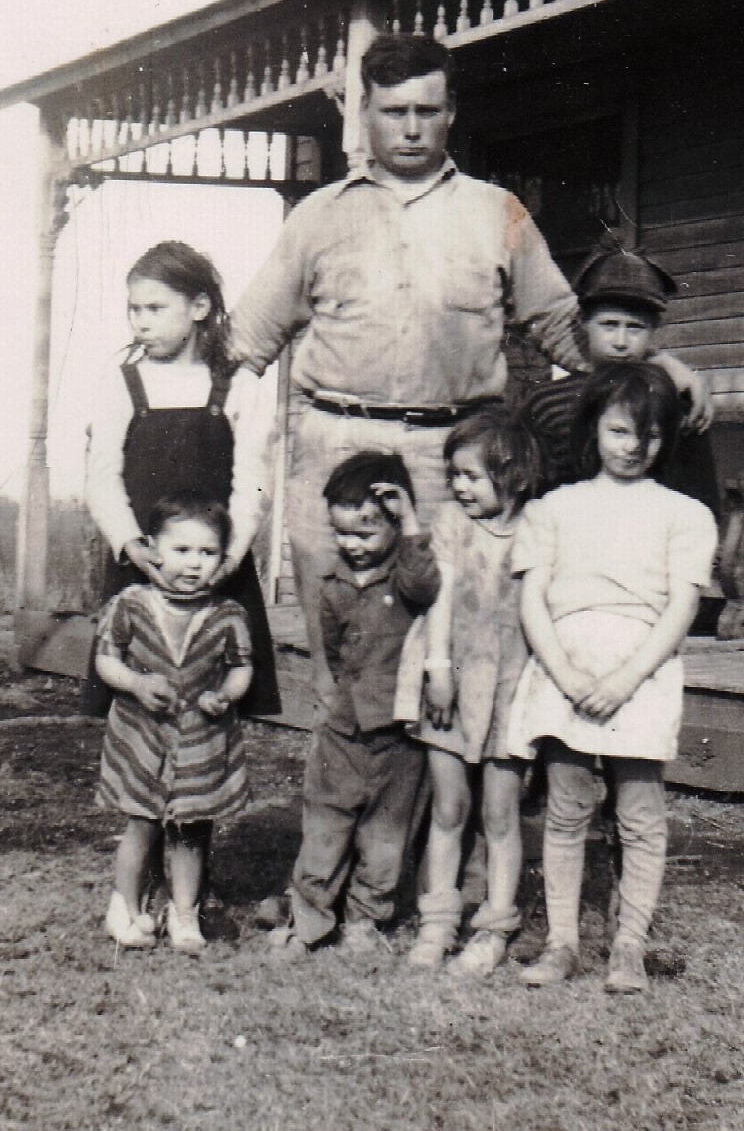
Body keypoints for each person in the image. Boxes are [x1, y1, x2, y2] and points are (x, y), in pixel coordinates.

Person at [227, 34, 708, 700]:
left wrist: (660, 368)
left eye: (427, 110)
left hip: (456, 458)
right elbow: (246, 341)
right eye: (394, 111)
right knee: (340, 647)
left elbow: (565, 329)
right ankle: (348, 795)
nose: (412, 127)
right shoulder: (317, 217)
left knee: (450, 642)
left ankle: (444, 804)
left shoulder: (498, 213)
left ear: (451, 110)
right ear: (364, 113)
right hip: (335, 446)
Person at [507, 362, 718, 995]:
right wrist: (568, 674)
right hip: (566, 665)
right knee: (567, 809)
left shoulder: (685, 516)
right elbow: (532, 602)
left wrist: (626, 678)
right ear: (596, 428)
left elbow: (679, 611)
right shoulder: (553, 509)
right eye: (621, 432)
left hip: (641, 671)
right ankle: (563, 942)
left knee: (640, 813)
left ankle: (629, 946)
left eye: (649, 437)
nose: (633, 448)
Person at [84, 240, 279, 719]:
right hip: (144, 566)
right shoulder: (123, 383)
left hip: (215, 570)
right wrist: (131, 545)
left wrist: (228, 559)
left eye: (154, 308)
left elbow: (253, 480)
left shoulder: (238, 385)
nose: (140, 322)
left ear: (199, 307)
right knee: (137, 702)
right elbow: (102, 477)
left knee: (215, 706)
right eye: (133, 310)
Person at [269, 453, 439, 954]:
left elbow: (426, 585)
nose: (351, 546)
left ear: (393, 524)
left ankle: (366, 920)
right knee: (324, 823)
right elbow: (336, 653)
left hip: (399, 735)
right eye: (341, 534)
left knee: (386, 836)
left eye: (364, 534)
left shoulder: (407, 577)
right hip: (343, 731)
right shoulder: (332, 587)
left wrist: (411, 525)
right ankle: (309, 919)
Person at [394, 411, 542, 976]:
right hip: (451, 676)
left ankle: (494, 926)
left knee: (501, 813)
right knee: (450, 806)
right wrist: (438, 667)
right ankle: (436, 924)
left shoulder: (537, 526)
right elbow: (441, 597)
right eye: (454, 475)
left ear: (515, 478)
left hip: (510, 684)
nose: (459, 487)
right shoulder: (454, 523)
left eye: (472, 477)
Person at [94, 495, 256, 955]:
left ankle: (184, 911)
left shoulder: (227, 616)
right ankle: (127, 907)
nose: (193, 564)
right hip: (142, 733)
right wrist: (136, 683)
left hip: (200, 737)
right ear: (153, 548)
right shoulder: (131, 604)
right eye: (181, 551)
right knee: (141, 824)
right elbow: (107, 659)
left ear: (222, 559)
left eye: (207, 554)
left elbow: (241, 667)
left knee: (191, 830)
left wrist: (225, 694)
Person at [520, 242, 720, 520]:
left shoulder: (675, 396)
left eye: (635, 327)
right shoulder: (546, 402)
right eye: (609, 325)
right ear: (582, 322)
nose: (621, 342)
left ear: (654, 329)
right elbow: (531, 493)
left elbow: (700, 498)